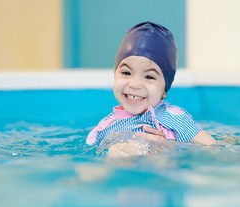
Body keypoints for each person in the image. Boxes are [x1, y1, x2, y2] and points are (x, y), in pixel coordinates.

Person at [86, 21, 216, 156]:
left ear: (165, 89)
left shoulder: (171, 118)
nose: (134, 84)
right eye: (126, 73)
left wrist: (169, 146)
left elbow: (214, 149)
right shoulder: (105, 126)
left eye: (149, 77)